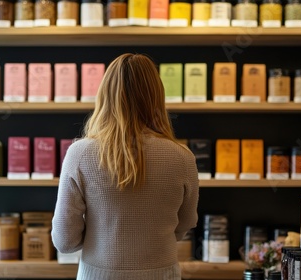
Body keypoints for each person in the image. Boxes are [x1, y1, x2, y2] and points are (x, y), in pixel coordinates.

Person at [51, 53, 200, 280]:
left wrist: (100, 238)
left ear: (105, 95)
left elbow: (64, 241)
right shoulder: (182, 157)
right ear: (157, 97)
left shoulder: (80, 153)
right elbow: (185, 223)